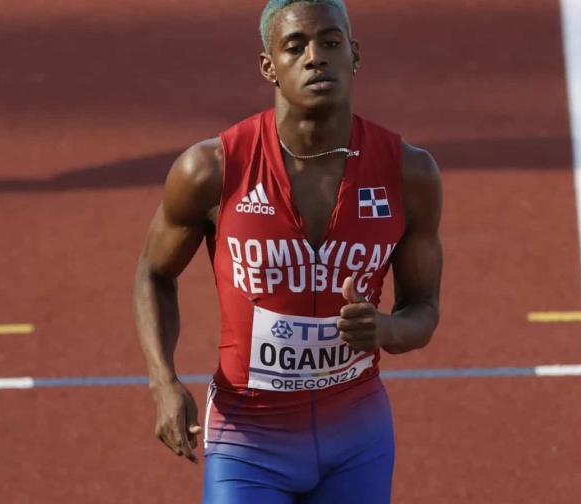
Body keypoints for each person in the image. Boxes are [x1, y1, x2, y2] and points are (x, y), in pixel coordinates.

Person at [132, 1, 442, 502]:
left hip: (357, 438)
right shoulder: (213, 169)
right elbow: (152, 272)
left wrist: (385, 329)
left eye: (331, 43)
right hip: (248, 441)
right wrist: (162, 382)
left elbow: (423, 308)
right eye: (295, 46)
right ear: (269, 66)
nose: (315, 57)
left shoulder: (409, 174)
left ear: (354, 55)